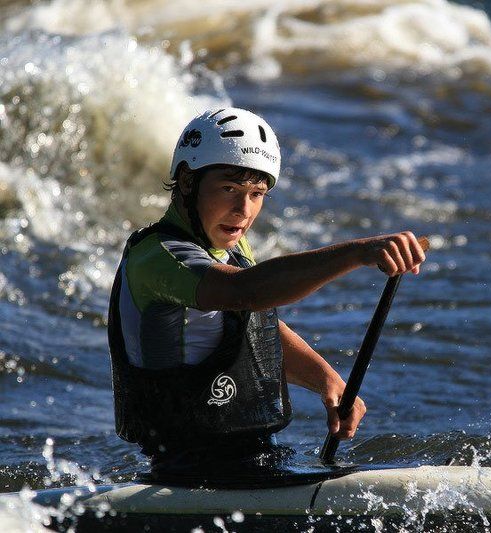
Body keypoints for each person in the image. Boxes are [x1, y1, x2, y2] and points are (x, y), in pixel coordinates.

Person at [107, 107, 426, 484]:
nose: (243, 211)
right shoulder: (158, 256)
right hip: (185, 470)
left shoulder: (233, 250)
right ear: (188, 181)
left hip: (251, 458)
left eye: (256, 194)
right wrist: (358, 253)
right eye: (229, 189)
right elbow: (244, 292)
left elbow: (253, 324)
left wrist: (327, 382)